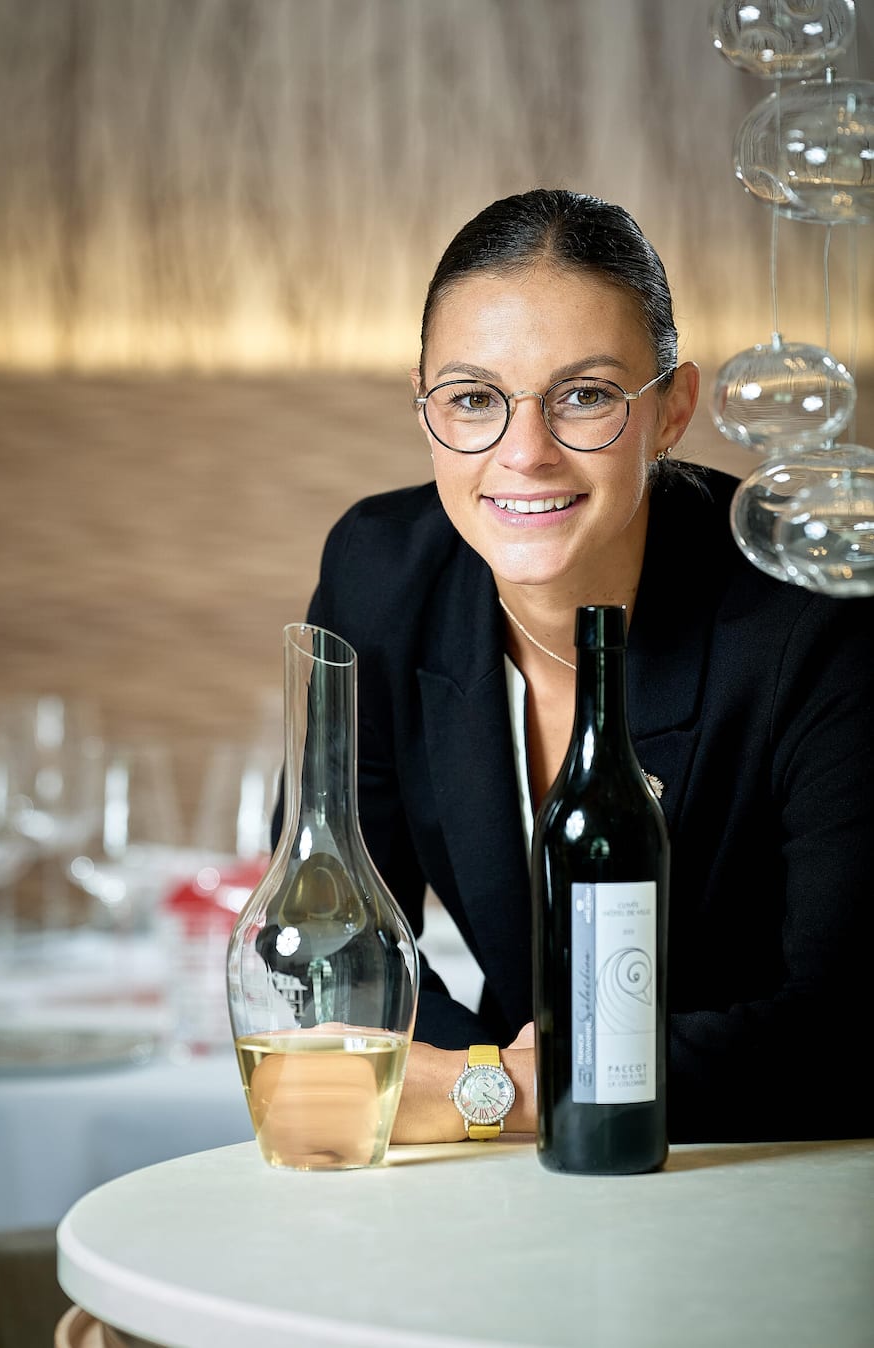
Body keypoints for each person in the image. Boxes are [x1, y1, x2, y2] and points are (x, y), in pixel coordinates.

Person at [296, 188, 874, 1145]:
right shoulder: (378, 575)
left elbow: (842, 1027)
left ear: (672, 410)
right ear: (424, 406)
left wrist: (500, 1099)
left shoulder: (810, 616)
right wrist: (481, 1081)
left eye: (587, 396)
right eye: (475, 399)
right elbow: (334, 938)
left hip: (767, 1162)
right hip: (514, 1181)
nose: (525, 453)